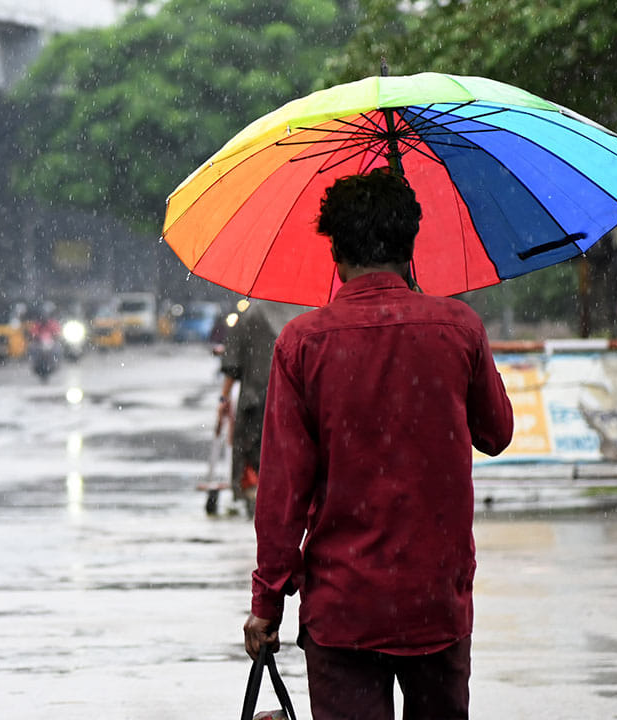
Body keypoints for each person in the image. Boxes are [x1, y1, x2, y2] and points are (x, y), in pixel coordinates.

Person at [242, 168, 514, 720]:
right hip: (436, 601)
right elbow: (497, 433)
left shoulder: (302, 343)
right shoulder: (459, 328)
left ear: (335, 253)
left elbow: (282, 492)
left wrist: (266, 601)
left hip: (344, 609)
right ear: (411, 244)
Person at [217, 303, 278, 515]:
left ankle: (255, 494)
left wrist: (223, 399)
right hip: (293, 402)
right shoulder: (306, 312)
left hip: (255, 398)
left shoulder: (252, 315)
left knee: (253, 449)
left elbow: (232, 363)